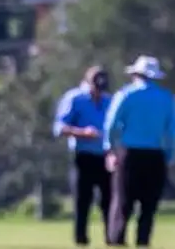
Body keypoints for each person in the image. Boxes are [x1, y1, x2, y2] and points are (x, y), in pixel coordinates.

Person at [103, 55, 175, 248]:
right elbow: (171, 132)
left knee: (122, 202)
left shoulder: (126, 95)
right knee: (148, 205)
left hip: (129, 154)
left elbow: (111, 126)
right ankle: (143, 241)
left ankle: (117, 240)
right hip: (155, 155)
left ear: (135, 74)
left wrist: (110, 149)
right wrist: (169, 156)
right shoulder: (167, 98)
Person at [53, 65, 114, 247]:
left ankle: (111, 238)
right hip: (83, 156)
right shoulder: (75, 99)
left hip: (105, 157)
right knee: (82, 201)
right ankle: (81, 240)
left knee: (109, 201)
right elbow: (59, 128)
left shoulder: (109, 101)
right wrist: (82, 132)